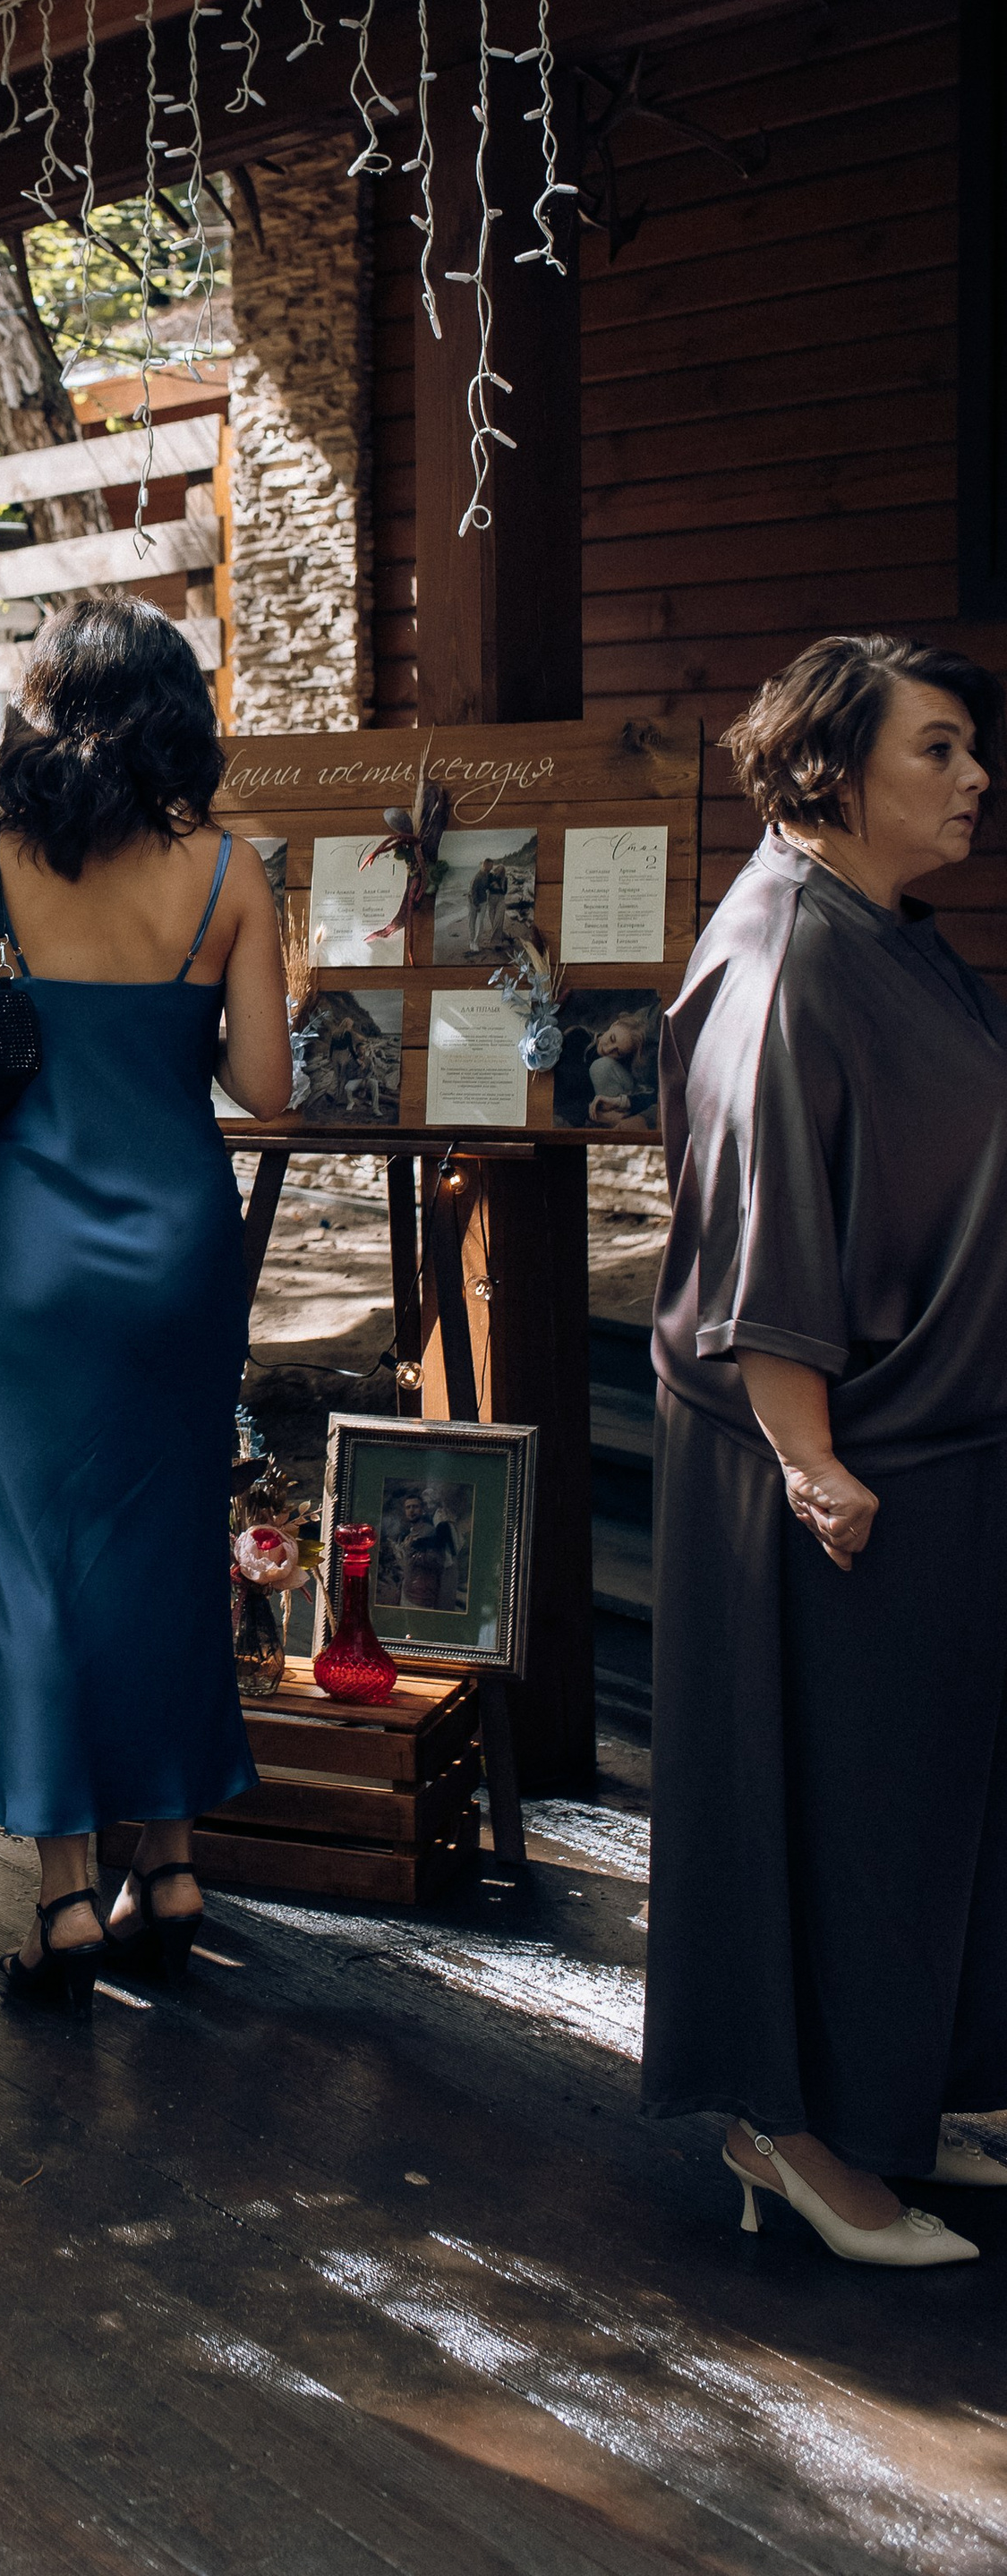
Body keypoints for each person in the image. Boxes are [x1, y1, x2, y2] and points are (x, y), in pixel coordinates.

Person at [644, 631, 1007, 2266]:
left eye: (972, 750)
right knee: (814, 1798)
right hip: (828, 1450)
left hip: (936, 1428)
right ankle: (783, 2129)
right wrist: (810, 1455)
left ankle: (898, 2094)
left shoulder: (892, 930)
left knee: (911, 1799)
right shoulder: (783, 954)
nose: (975, 777)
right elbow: (759, 1219)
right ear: (832, 768)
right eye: (939, 749)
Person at [0, 593, 291, 2006]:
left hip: (32, 1255)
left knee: (39, 1561)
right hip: (181, 1242)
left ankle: (67, 1894)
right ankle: (175, 1866)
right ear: (178, 722)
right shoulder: (234, 873)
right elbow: (266, 1087)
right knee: (172, 1544)